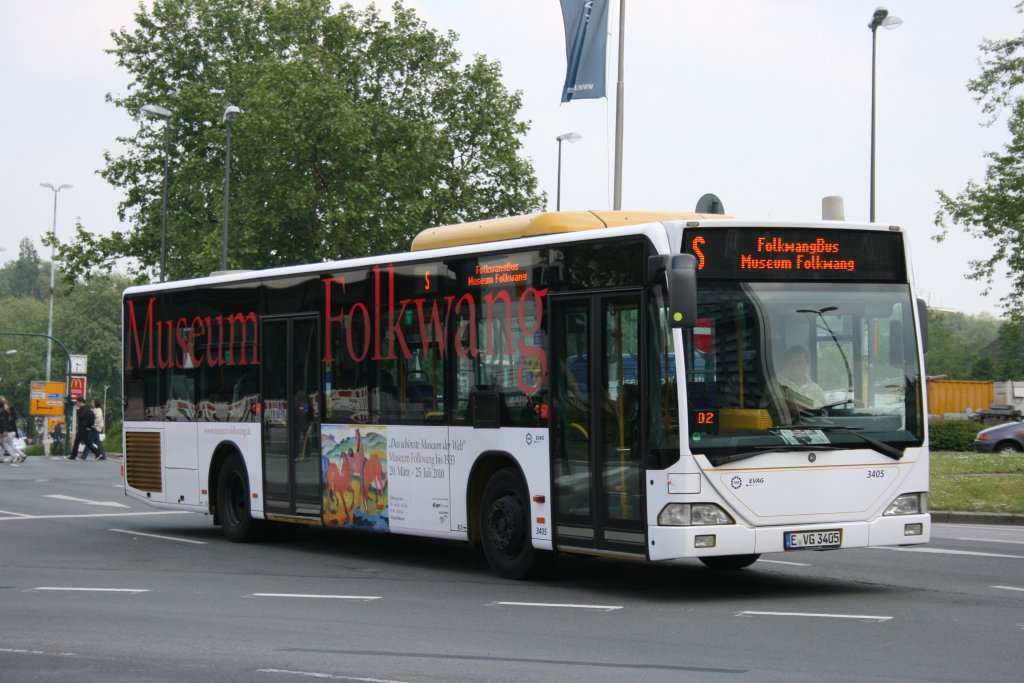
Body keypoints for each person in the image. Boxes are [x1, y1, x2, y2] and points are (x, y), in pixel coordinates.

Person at [777, 345, 827, 411]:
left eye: (800, 362)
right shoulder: (776, 385)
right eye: (791, 362)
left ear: (807, 364)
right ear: (785, 363)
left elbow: (825, 411)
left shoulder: (815, 388)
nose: (795, 366)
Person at [0, 396, 26, 464]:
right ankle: (21, 455)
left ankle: (16, 455)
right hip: (8, 431)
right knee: (4, 444)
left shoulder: (4, 412)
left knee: (7, 444)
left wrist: (2, 431)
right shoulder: (9, 413)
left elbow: (3, 421)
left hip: (6, 431)